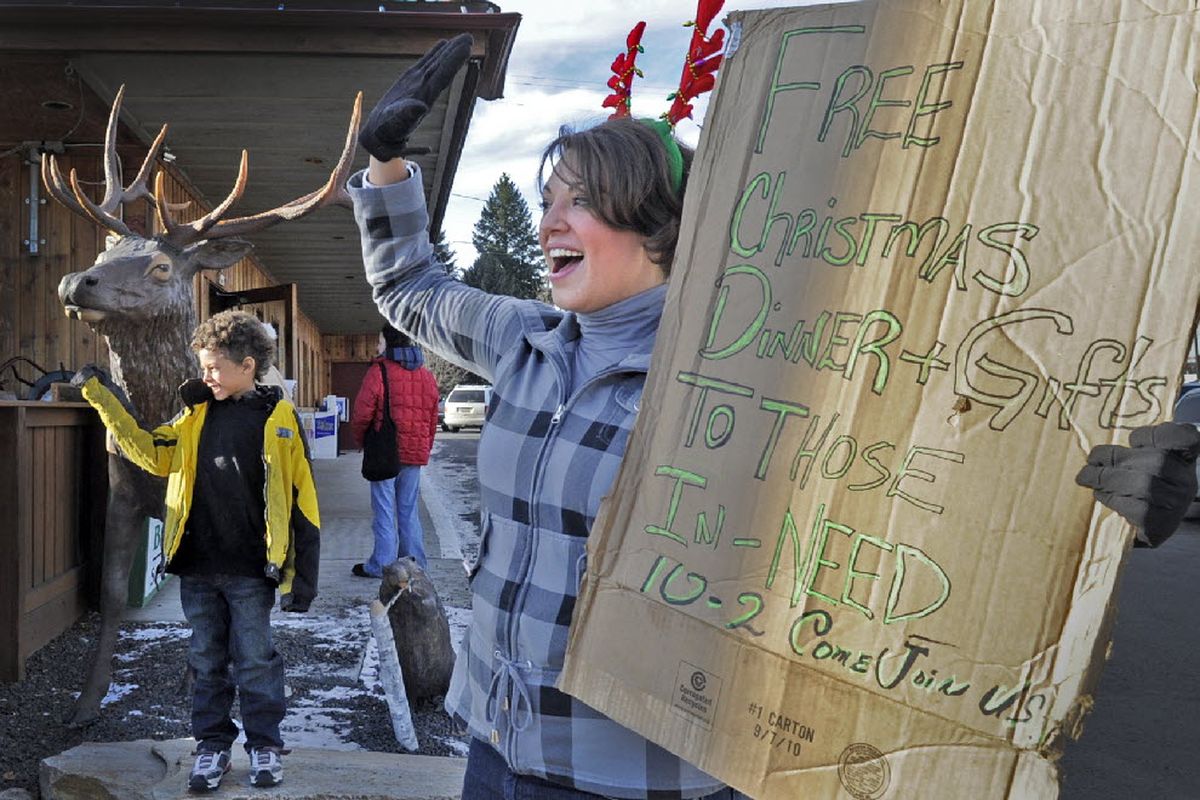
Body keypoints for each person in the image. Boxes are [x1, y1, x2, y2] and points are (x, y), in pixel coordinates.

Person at [348, 34, 1200, 800]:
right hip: (493, 747)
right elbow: (411, 288)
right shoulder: (526, 337)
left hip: (638, 775)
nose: (549, 222)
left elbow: (934, 484)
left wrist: (1100, 502)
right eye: (548, 201)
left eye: (581, 201)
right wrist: (388, 163)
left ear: (657, 227)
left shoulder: (748, 369)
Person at [72, 309, 320, 792]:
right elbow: (151, 453)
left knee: (255, 660)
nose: (204, 375)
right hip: (198, 569)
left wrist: (302, 576)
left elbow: (303, 500)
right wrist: (103, 400)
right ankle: (211, 749)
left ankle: (265, 746)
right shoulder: (193, 413)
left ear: (247, 366)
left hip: (252, 572)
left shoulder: (280, 418)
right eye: (203, 366)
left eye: (213, 366)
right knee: (205, 660)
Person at [349, 322, 440, 576]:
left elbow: (362, 413)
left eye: (379, 341)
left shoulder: (379, 371)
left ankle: (383, 565)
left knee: (384, 511)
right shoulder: (426, 375)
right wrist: (425, 446)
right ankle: (414, 564)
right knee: (408, 510)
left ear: (388, 342)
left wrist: (362, 441)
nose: (377, 346)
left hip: (385, 453)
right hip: (414, 454)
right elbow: (433, 417)